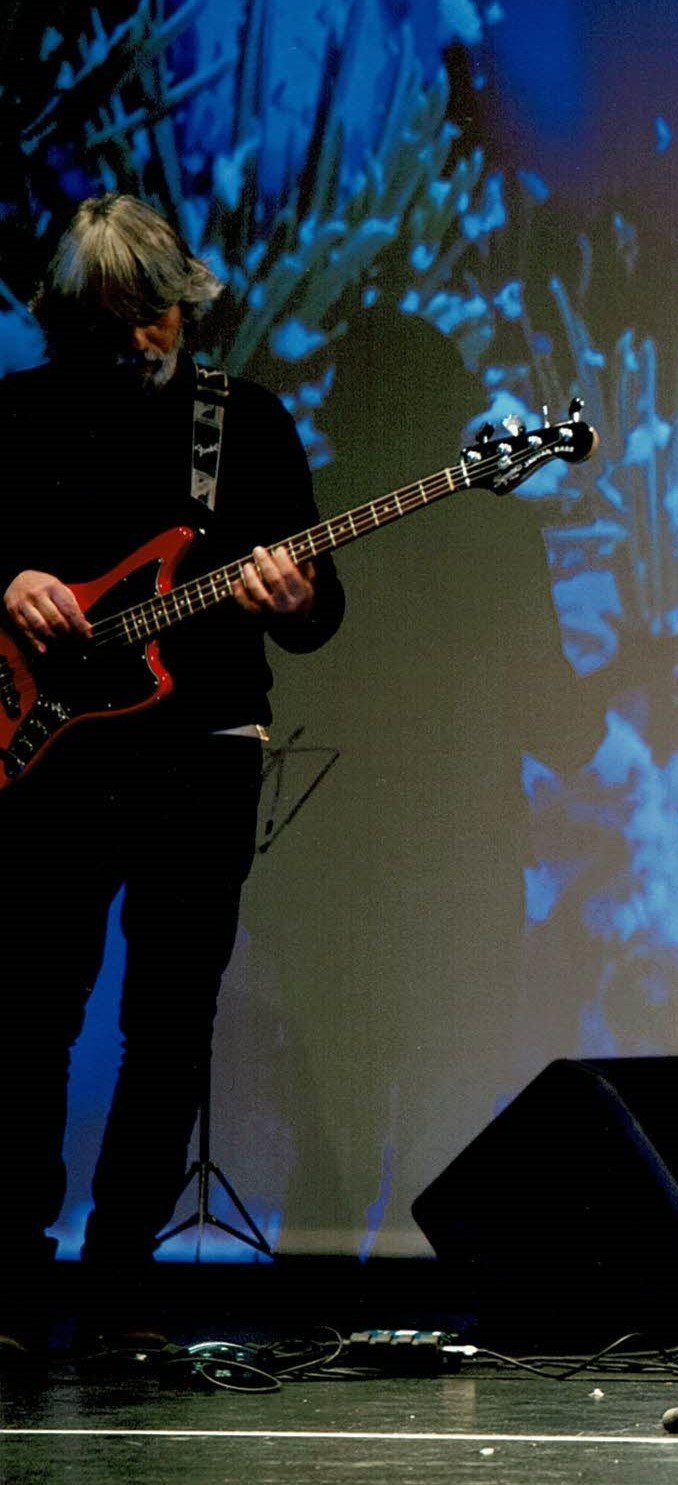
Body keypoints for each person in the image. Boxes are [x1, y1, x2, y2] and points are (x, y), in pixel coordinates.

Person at [0, 195, 344, 1360]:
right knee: (28, 1013)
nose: (140, 342)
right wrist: (8, 583)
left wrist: (295, 594)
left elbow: (315, 613)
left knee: (170, 1019)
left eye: (152, 316)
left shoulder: (242, 421)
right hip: (50, 753)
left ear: (184, 305)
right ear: (70, 320)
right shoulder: (19, 416)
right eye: (111, 323)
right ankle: (10, 1259)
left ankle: (120, 1270)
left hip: (201, 747)